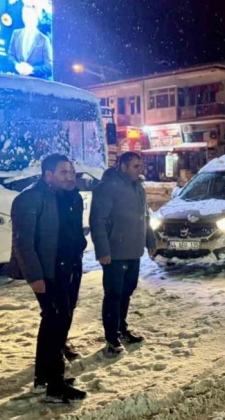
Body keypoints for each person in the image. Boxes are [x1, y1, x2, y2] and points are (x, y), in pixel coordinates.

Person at [7, 154, 87, 403]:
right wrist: (35, 276)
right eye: (63, 172)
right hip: (48, 272)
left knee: (59, 321)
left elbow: (73, 232)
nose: (70, 176)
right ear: (48, 175)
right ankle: (54, 386)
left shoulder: (70, 196)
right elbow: (23, 243)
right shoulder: (30, 198)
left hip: (68, 268)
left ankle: (45, 378)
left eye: (71, 171)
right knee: (55, 323)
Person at [90, 152, 156, 357]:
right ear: (123, 166)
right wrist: (102, 250)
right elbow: (97, 221)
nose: (140, 170)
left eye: (140, 166)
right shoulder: (107, 187)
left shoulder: (138, 187)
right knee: (113, 295)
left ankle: (121, 328)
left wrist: (150, 240)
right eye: (136, 166)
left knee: (126, 292)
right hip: (115, 253)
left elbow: (145, 216)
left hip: (133, 250)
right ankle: (111, 337)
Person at [7, 4, 53, 80]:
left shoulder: (44, 39)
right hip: (16, 82)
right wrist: (17, 65)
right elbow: (10, 56)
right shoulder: (16, 34)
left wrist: (31, 69)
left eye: (29, 14)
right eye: (24, 14)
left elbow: (49, 67)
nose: (26, 17)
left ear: (36, 17)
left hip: (35, 85)